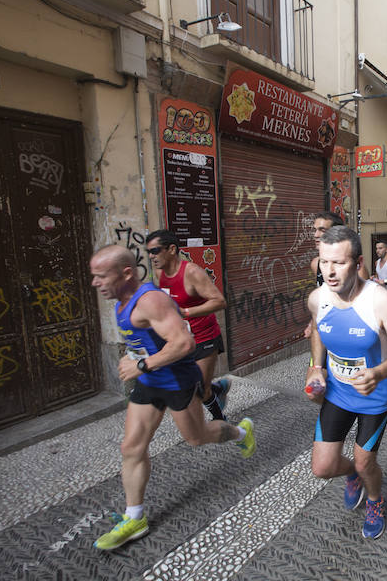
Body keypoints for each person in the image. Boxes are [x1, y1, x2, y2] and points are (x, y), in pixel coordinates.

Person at [89, 245, 256, 551]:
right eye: (94, 276)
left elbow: (184, 343)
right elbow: (146, 342)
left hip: (177, 381)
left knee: (197, 437)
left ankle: (241, 431)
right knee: (131, 447)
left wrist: (141, 365)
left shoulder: (151, 301)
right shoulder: (121, 302)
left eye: (101, 276)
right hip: (150, 382)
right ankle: (134, 517)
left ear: (126, 273)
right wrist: (137, 360)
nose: (95, 282)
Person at [305, 226, 387, 539]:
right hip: (337, 393)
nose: (329, 271)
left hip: (374, 396)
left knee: (365, 462)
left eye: (339, 263)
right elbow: (318, 329)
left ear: (358, 263)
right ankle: (353, 474)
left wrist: (378, 373)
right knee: (322, 468)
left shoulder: (379, 301)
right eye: (324, 262)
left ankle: (375, 499)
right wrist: (316, 367)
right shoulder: (317, 298)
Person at [145, 230, 229, 421]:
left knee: (200, 390)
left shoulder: (191, 273)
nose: (151, 256)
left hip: (204, 337)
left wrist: (186, 312)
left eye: (155, 251)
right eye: (148, 252)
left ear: (172, 249)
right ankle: (218, 388)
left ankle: (220, 420)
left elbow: (219, 302)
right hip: (180, 339)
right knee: (188, 383)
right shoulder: (158, 273)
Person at [305, 211, 369, 338]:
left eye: (322, 230)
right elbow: (324, 298)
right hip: (327, 328)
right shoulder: (316, 264)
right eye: (315, 230)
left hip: (352, 330)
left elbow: (364, 303)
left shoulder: (356, 267)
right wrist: (314, 321)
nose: (316, 235)